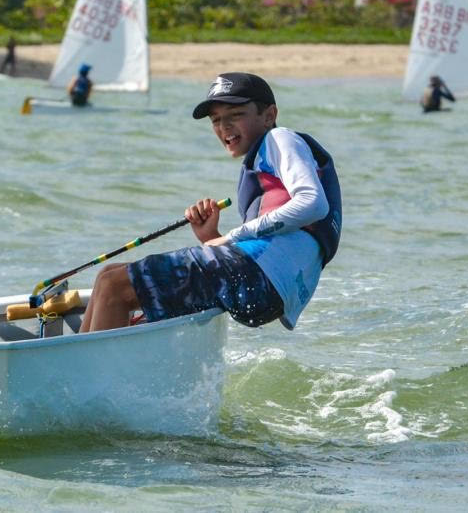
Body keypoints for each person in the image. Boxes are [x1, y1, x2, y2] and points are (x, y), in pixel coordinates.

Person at [80, 72, 342, 333]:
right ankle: (84, 357)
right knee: (109, 275)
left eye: (235, 115)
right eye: (216, 120)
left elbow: (313, 203)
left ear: (269, 115)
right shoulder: (263, 160)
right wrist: (210, 236)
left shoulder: (280, 138)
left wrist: (231, 236)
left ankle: (90, 372)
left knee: (114, 285)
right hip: (267, 288)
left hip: (261, 276)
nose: (224, 127)